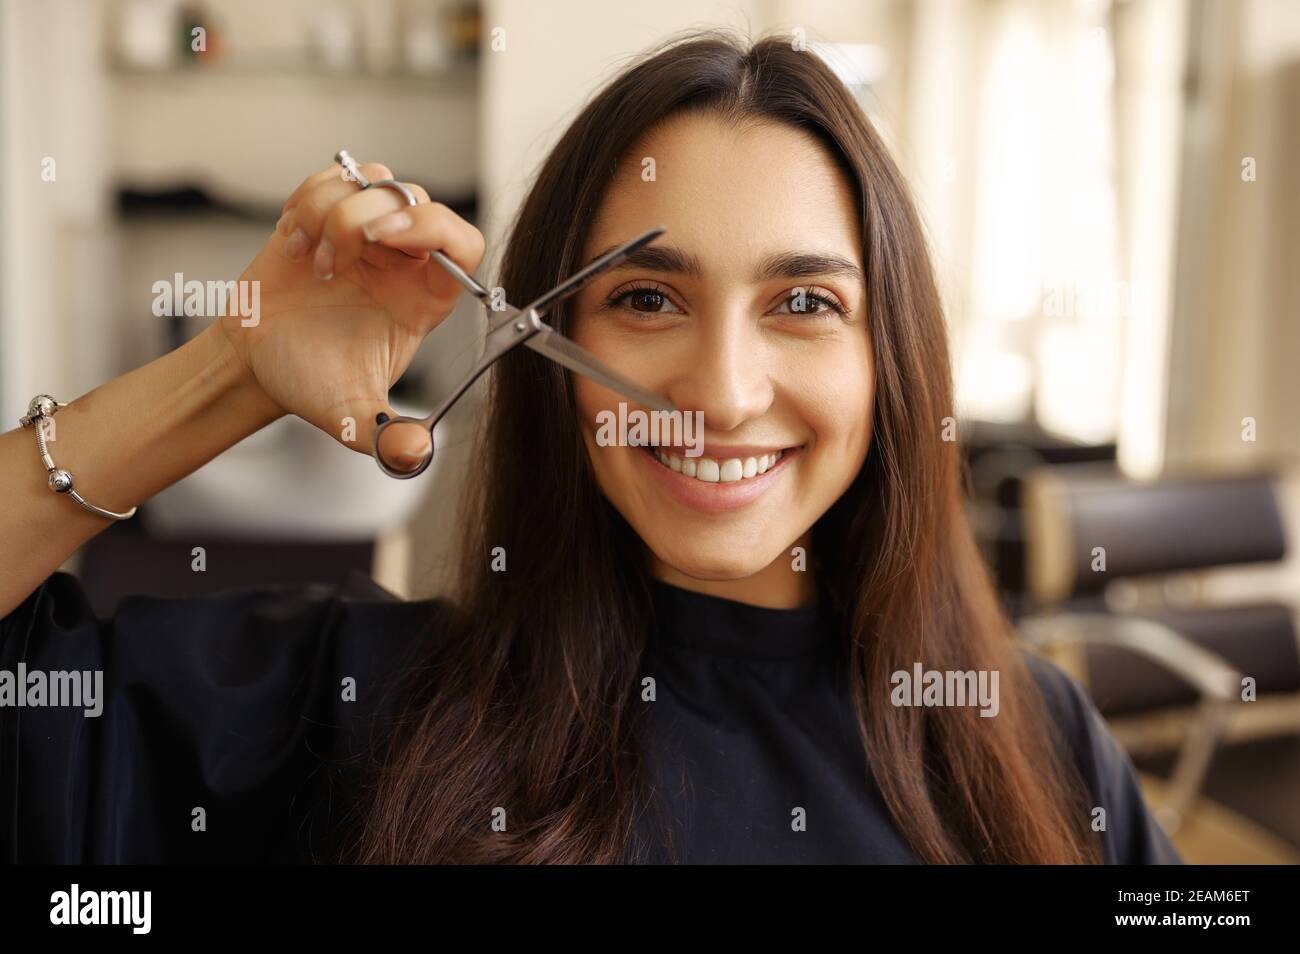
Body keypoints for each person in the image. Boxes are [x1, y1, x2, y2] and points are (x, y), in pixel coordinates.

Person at [0, 30, 1180, 865]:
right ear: (552, 349)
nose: (719, 394)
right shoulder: (363, 704)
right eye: (648, 301)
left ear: (894, 362)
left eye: (804, 304)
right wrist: (229, 373)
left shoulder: (1031, 741)